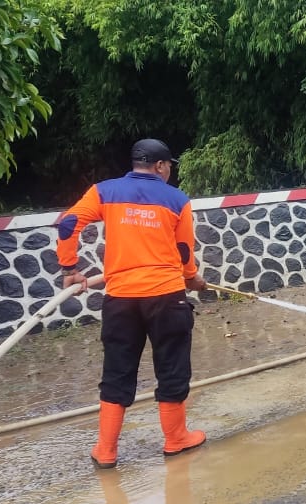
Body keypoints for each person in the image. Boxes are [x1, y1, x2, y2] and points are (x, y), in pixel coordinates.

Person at [57, 138, 208, 469]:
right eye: (169, 165)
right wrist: (191, 277)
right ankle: (176, 438)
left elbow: (68, 224)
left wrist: (70, 267)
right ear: (159, 166)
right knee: (171, 366)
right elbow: (183, 251)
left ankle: (107, 450)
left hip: (121, 299)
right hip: (166, 297)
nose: (169, 171)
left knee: (117, 371)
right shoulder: (177, 200)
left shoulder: (104, 192)